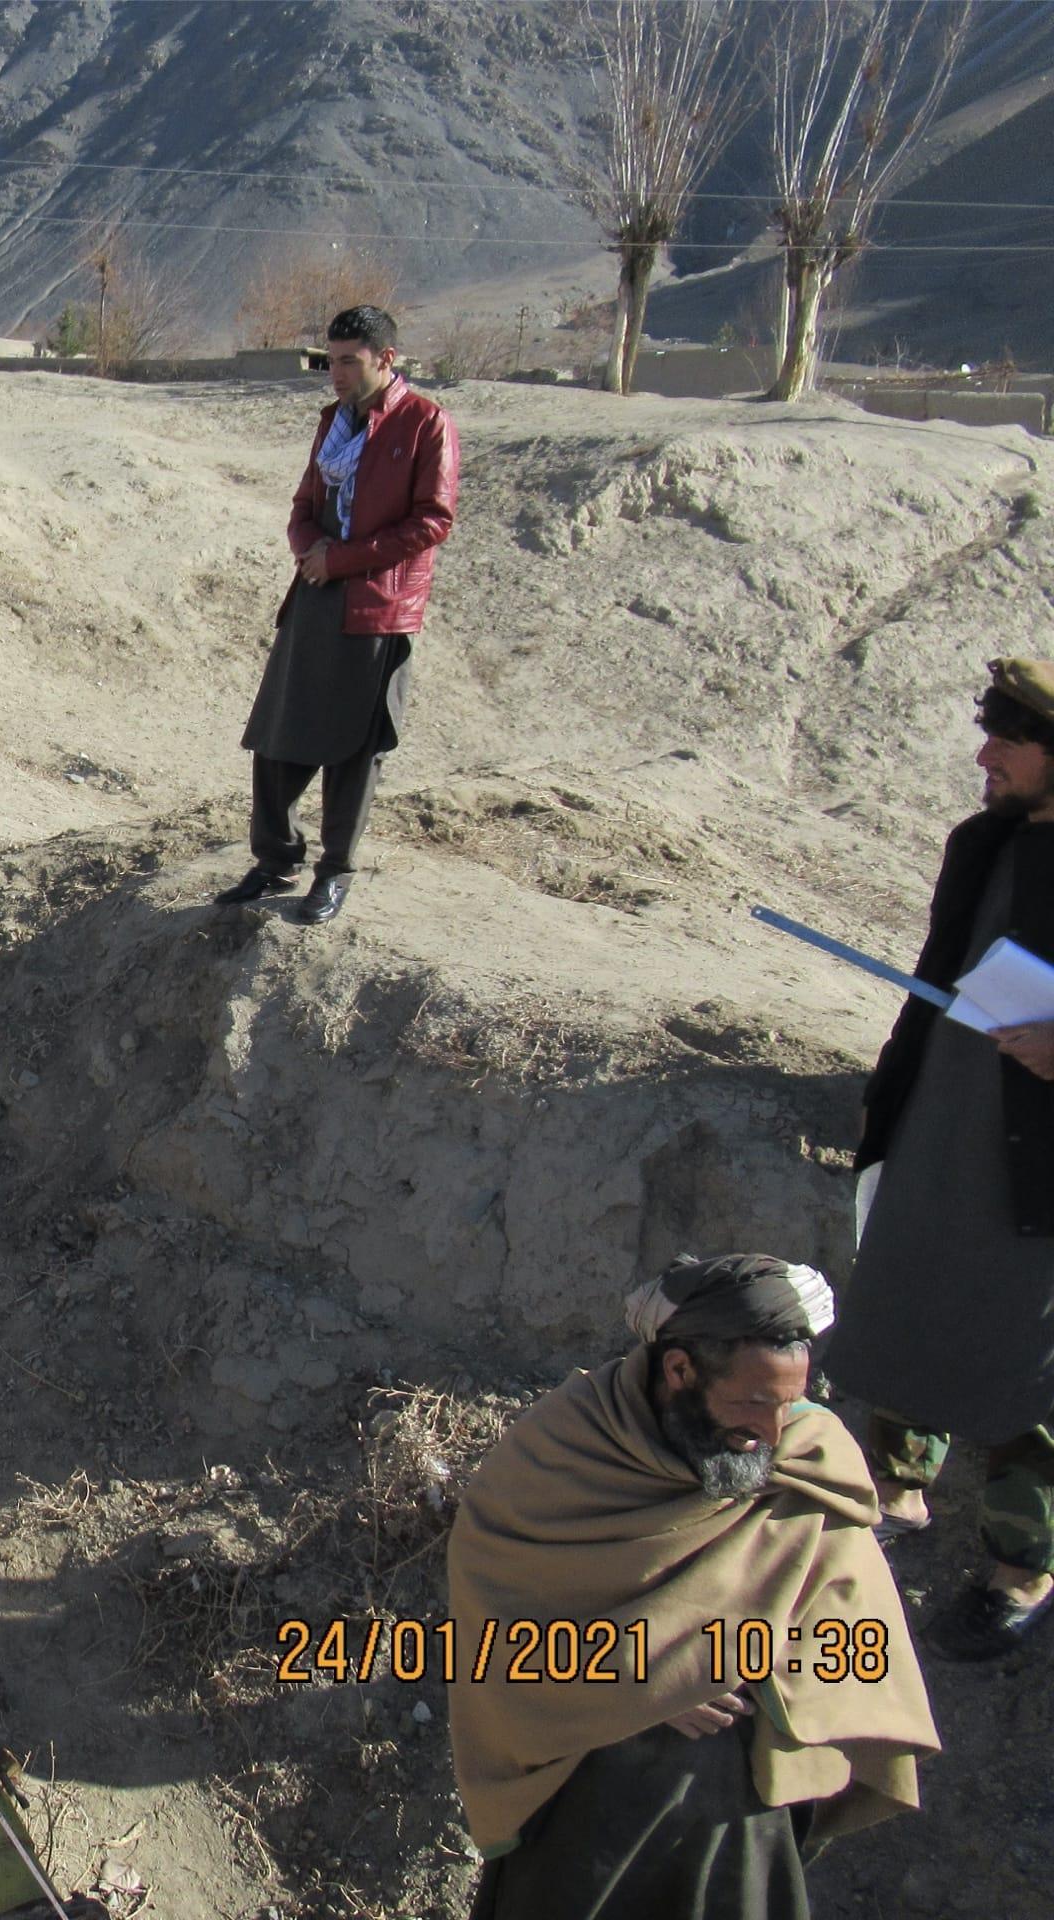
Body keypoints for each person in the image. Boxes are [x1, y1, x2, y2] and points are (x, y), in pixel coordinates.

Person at [449, 1254, 936, 1919]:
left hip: (741, 1810)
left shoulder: (808, 1458)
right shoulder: (560, 1457)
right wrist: (645, 1688)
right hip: (591, 1807)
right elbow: (494, 1635)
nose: (771, 1434)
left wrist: (752, 1674)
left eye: (788, 1404)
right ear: (679, 1371)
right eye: (753, 1403)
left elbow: (852, 1631)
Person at [823, 657, 1054, 1660]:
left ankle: (1022, 1565)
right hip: (944, 1124)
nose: (984, 754)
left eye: (1009, 739)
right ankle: (895, 1489)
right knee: (909, 1290)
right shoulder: (985, 841)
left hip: (1038, 1167)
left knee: (1025, 1360)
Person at [218, 305, 458, 925]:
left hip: (376, 607)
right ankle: (276, 861)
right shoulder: (333, 423)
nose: (338, 373)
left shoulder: (425, 424)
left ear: (386, 359)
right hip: (316, 592)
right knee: (277, 734)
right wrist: (310, 551)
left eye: (350, 361)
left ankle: (334, 874)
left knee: (355, 748)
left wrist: (343, 559)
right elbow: (304, 506)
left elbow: (433, 521)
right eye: (332, 361)